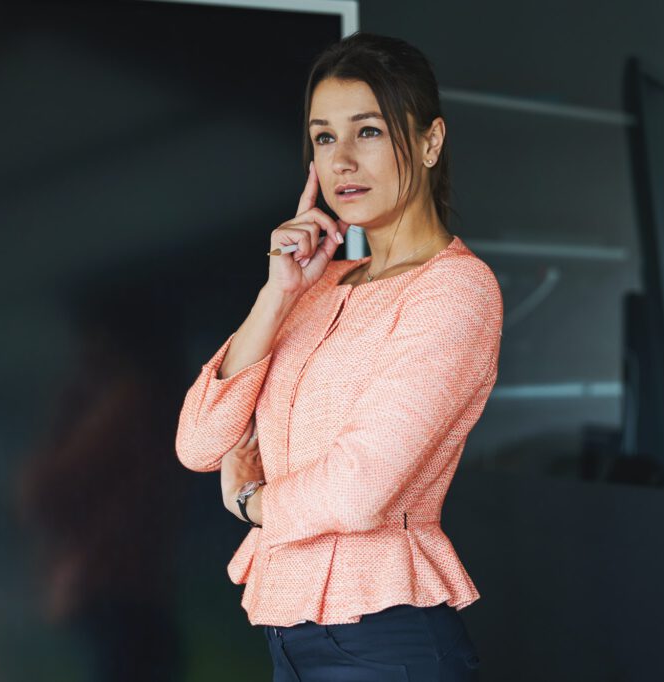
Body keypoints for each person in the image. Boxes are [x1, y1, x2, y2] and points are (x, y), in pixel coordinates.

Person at [175, 31, 502, 681]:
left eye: (369, 131)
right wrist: (275, 295)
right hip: (289, 635)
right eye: (324, 138)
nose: (342, 160)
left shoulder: (456, 290)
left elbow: (356, 492)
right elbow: (200, 443)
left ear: (430, 141)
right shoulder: (314, 285)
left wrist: (251, 504)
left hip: (387, 641)